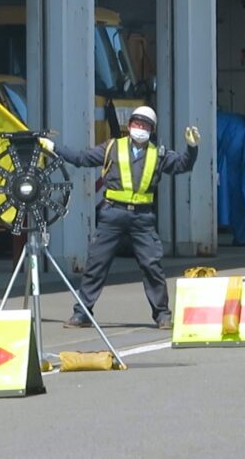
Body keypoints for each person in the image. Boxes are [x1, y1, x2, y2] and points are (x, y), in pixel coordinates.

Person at [40, 106, 200, 330]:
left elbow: (183, 165)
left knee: (151, 265)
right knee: (97, 263)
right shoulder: (112, 147)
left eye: (145, 126)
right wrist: (53, 148)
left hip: (142, 217)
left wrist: (192, 148)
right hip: (112, 214)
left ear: (152, 130)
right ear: (130, 125)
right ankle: (82, 313)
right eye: (136, 124)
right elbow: (82, 158)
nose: (139, 128)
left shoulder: (159, 153)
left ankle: (162, 315)